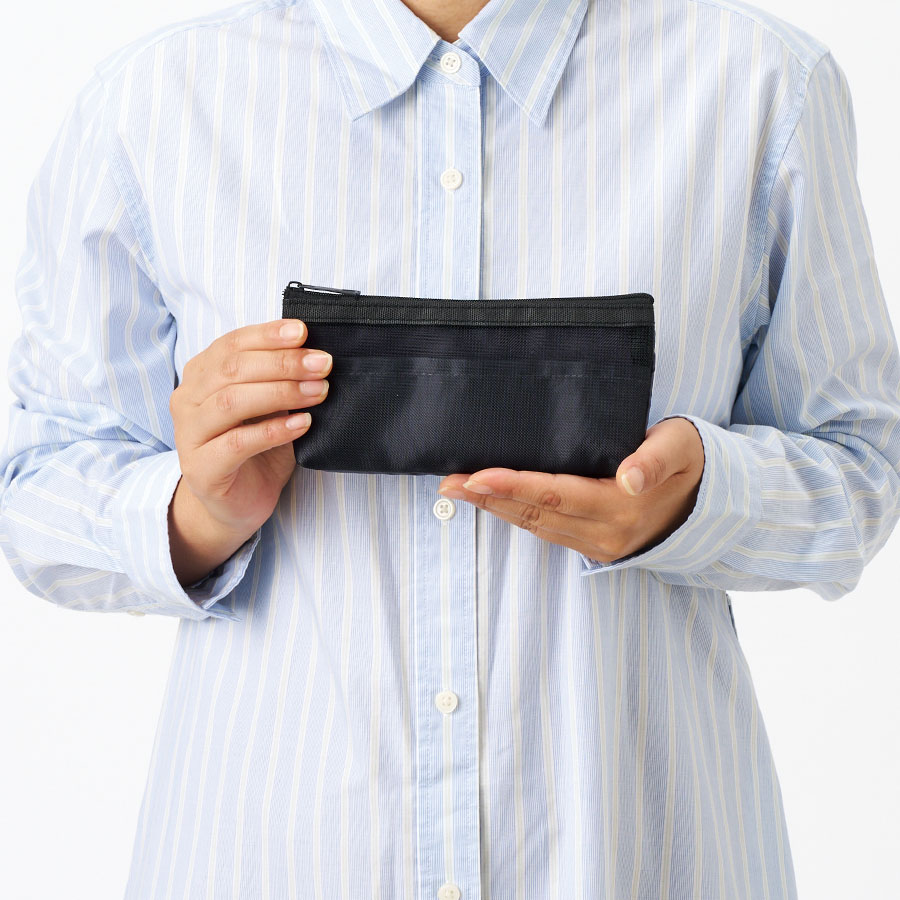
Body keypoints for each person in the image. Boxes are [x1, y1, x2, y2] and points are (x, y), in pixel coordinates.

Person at [2, 0, 898, 897]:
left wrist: (695, 503)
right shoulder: (156, 101)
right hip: (271, 858)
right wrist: (195, 516)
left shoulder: (761, 85)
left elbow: (863, 462)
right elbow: (35, 481)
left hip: (637, 858)